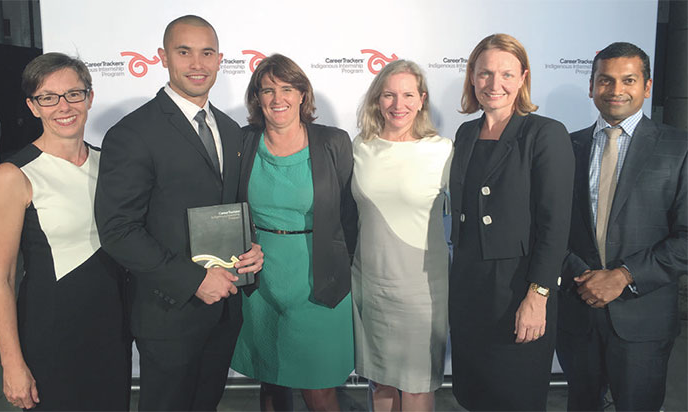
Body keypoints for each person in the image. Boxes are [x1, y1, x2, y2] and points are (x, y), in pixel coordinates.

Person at [94, 15, 263, 411]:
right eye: (184, 52)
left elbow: (232, 208)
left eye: (207, 53)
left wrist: (251, 248)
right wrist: (193, 280)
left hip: (225, 308)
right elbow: (118, 229)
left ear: (220, 59)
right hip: (169, 314)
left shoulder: (230, 128)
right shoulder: (133, 132)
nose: (197, 64)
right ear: (163, 57)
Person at [0, 52, 130, 411]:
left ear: (90, 97)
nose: (63, 106)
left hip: (113, 331)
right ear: (33, 107)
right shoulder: (12, 175)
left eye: (73, 94)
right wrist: (12, 363)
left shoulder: (111, 164)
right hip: (50, 335)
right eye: (48, 97)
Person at [557, 42, 687, 411]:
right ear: (591, 86)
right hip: (578, 310)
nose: (616, 90)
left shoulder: (679, 148)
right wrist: (580, 273)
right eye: (605, 80)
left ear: (646, 86)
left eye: (628, 80)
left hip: (643, 318)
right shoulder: (566, 146)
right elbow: (549, 228)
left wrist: (624, 275)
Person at [448, 33, 574, 410]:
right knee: (474, 394)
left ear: (523, 78)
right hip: (469, 287)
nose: (494, 84)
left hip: (518, 288)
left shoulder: (545, 134)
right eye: (485, 73)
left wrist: (538, 295)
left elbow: (555, 225)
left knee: (514, 396)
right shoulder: (466, 132)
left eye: (506, 73)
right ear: (472, 77)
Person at [230, 53, 356, 412]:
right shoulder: (243, 142)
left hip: (319, 278)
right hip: (262, 276)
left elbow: (350, 213)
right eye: (267, 90)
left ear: (303, 94)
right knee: (272, 378)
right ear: (257, 98)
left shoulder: (333, 141)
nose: (277, 98)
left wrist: (343, 266)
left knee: (319, 388)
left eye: (287, 88)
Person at [351, 59, 453, 412]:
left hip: (422, 288)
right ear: (377, 100)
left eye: (408, 94)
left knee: (417, 385)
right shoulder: (359, 148)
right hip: (370, 282)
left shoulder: (443, 151)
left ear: (422, 99)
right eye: (389, 95)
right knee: (381, 380)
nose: (399, 104)